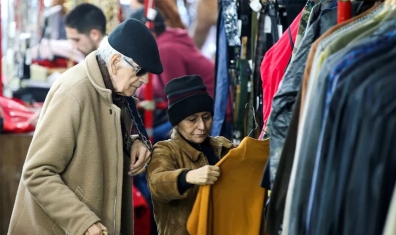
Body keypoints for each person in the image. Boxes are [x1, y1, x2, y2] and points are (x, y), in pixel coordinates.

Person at [7, 19, 163, 235]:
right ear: (116, 61)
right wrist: (82, 222)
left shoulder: (114, 89)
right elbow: (38, 172)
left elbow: (107, 133)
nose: (145, 80)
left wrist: (135, 140)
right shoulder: (74, 93)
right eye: (140, 71)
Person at [146, 75, 236, 235]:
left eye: (206, 117)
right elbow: (156, 184)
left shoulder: (222, 146)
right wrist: (187, 177)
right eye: (192, 119)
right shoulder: (165, 150)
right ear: (177, 122)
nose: (202, 126)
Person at [131, 8, 215, 142]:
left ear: (149, 33)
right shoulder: (169, 40)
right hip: (199, 107)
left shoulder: (166, 50)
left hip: (207, 112)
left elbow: (176, 96)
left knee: (149, 138)